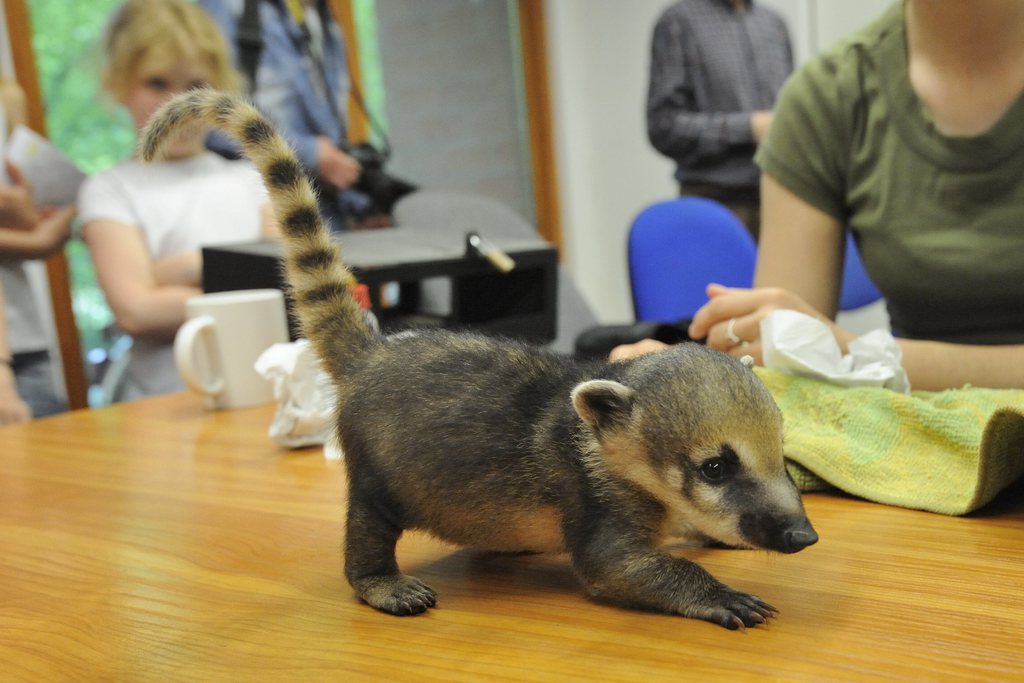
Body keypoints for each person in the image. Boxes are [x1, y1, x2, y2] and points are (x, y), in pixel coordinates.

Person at [616, 0, 1024, 392]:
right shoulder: (827, 94)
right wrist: (694, 376)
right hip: (725, 188)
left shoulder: (772, 27)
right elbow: (785, 364)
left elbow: (813, 354)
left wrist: (849, 354)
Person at [78, 0, 277, 400]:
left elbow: (286, 277)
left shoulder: (251, 179)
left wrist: (179, 269)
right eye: (156, 83)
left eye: (195, 87)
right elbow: (136, 311)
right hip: (165, 400)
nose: (178, 105)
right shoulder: (109, 190)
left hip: (264, 388)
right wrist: (244, 279)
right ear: (118, 84)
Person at [199, 0, 394, 230]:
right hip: (264, 225)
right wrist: (311, 154)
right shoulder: (228, 8)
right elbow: (209, 122)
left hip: (329, 226)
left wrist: (358, 207)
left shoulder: (327, 23)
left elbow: (332, 136)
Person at [646, 0, 793, 238]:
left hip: (780, 200)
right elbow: (663, 126)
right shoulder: (678, 22)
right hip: (715, 202)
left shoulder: (773, 24)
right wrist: (748, 128)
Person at [1, 79, 75, 421]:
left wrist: (34, 224)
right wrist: (35, 239)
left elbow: (25, 206)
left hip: (22, 331)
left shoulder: (8, 93)